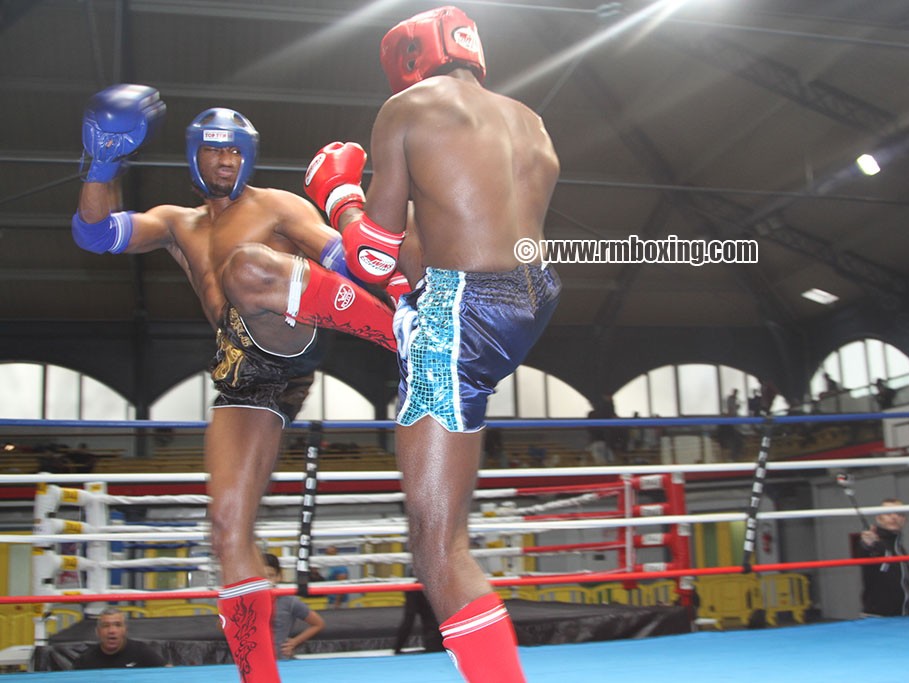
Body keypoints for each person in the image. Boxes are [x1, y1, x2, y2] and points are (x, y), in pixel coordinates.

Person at [73, 85, 398, 683]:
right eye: (213, 151)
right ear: (193, 156)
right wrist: (103, 161)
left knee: (248, 266)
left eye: (234, 152)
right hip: (241, 374)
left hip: (288, 335)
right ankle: (260, 676)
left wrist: (358, 222)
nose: (224, 162)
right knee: (225, 527)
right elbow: (95, 234)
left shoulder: (278, 205)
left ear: (248, 157)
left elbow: (350, 261)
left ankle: (405, 337)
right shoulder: (177, 223)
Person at [302, 7, 561, 680]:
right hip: (530, 298)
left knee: (437, 545)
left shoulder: (406, 107)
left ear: (409, 56)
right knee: (411, 292)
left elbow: (371, 253)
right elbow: (436, 236)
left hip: (459, 312)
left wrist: (338, 198)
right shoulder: (529, 121)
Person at [852, 498, 909, 617]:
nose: (894, 517)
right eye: (888, 513)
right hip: (877, 618)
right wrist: (867, 544)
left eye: (899, 514)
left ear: (905, 520)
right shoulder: (876, 543)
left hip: (903, 616)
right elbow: (865, 551)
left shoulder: (900, 549)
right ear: (879, 518)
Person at [263, 553, 325, 659]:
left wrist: (294, 642)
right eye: (261, 577)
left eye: (271, 576)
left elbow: (318, 624)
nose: (266, 581)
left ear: (279, 577)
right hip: (254, 662)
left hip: (281, 661)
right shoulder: (246, 602)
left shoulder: (289, 601)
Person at [73, 607, 167, 670]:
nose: (112, 630)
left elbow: (169, 673)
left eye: (118, 625)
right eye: (106, 626)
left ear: (125, 630)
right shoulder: (86, 660)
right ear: (98, 632)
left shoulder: (142, 651)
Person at [394, 590, 444, 654]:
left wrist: (397, 648)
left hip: (436, 640)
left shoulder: (415, 588)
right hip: (448, 638)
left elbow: (409, 620)